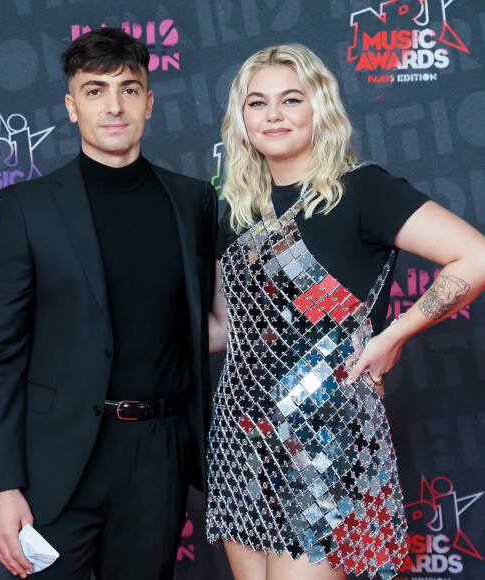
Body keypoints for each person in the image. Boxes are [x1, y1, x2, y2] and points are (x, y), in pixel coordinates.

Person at [206, 44, 485, 580]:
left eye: (291, 99)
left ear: (320, 108)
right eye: (257, 103)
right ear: (241, 118)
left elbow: (472, 257)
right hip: (242, 434)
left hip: (323, 433)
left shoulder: (360, 191)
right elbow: (225, 329)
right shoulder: (237, 213)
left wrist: (392, 337)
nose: (274, 115)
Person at [0, 27, 217, 580]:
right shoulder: (27, 207)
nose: (113, 105)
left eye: (129, 89)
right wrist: (2, 485)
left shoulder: (193, 201)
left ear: (149, 102)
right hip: (56, 461)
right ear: (70, 106)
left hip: (159, 452)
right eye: (95, 90)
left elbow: (207, 322)